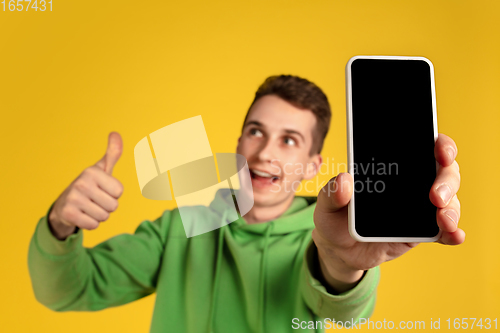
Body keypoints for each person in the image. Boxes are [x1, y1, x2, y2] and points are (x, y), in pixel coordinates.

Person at [28, 75, 464, 332]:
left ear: (313, 165)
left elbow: (343, 307)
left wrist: (343, 261)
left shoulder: (322, 237)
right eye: (256, 132)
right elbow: (66, 290)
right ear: (238, 142)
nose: (264, 154)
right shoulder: (178, 229)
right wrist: (59, 225)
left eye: (289, 140)